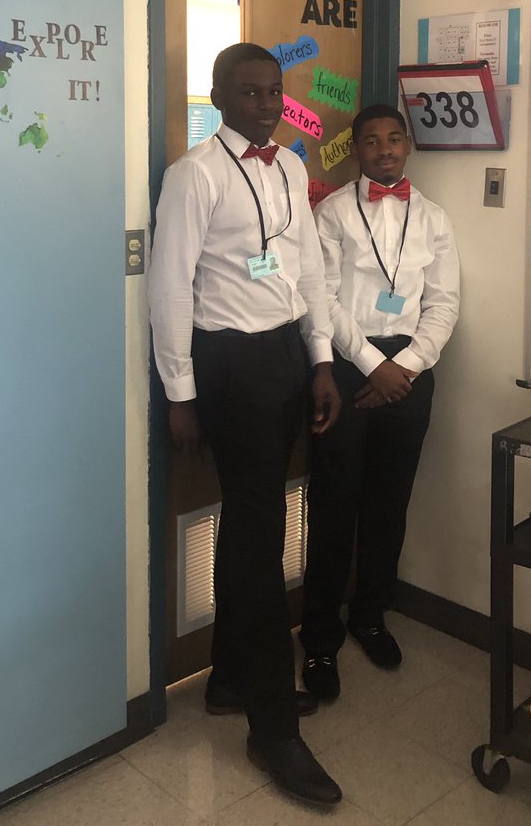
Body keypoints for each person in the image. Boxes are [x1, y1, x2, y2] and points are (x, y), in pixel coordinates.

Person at [148, 42, 343, 808]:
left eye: (274, 91)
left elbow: (308, 269)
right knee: (260, 542)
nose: (266, 104)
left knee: (252, 527)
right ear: (219, 96)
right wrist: (180, 394)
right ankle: (272, 730)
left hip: (287, 356)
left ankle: (230, 676)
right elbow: (169, 287)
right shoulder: (194, 174)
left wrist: (321, 360)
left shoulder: (290, 166)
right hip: (229, 365)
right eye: (250, 92)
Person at [300, 104, 460, 702]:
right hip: (347, 369)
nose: (385, 149)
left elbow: (444, 302)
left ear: (408, 145)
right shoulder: (333, 213)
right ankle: (319, 638)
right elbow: (323, 299)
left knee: (390, 504)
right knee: (334, 506)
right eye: (372, 141)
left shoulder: (434, 218)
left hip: (411, 373)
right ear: (357, 149)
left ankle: (370, 616)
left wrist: (408, 366)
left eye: (395, 139)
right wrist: (374, 366)